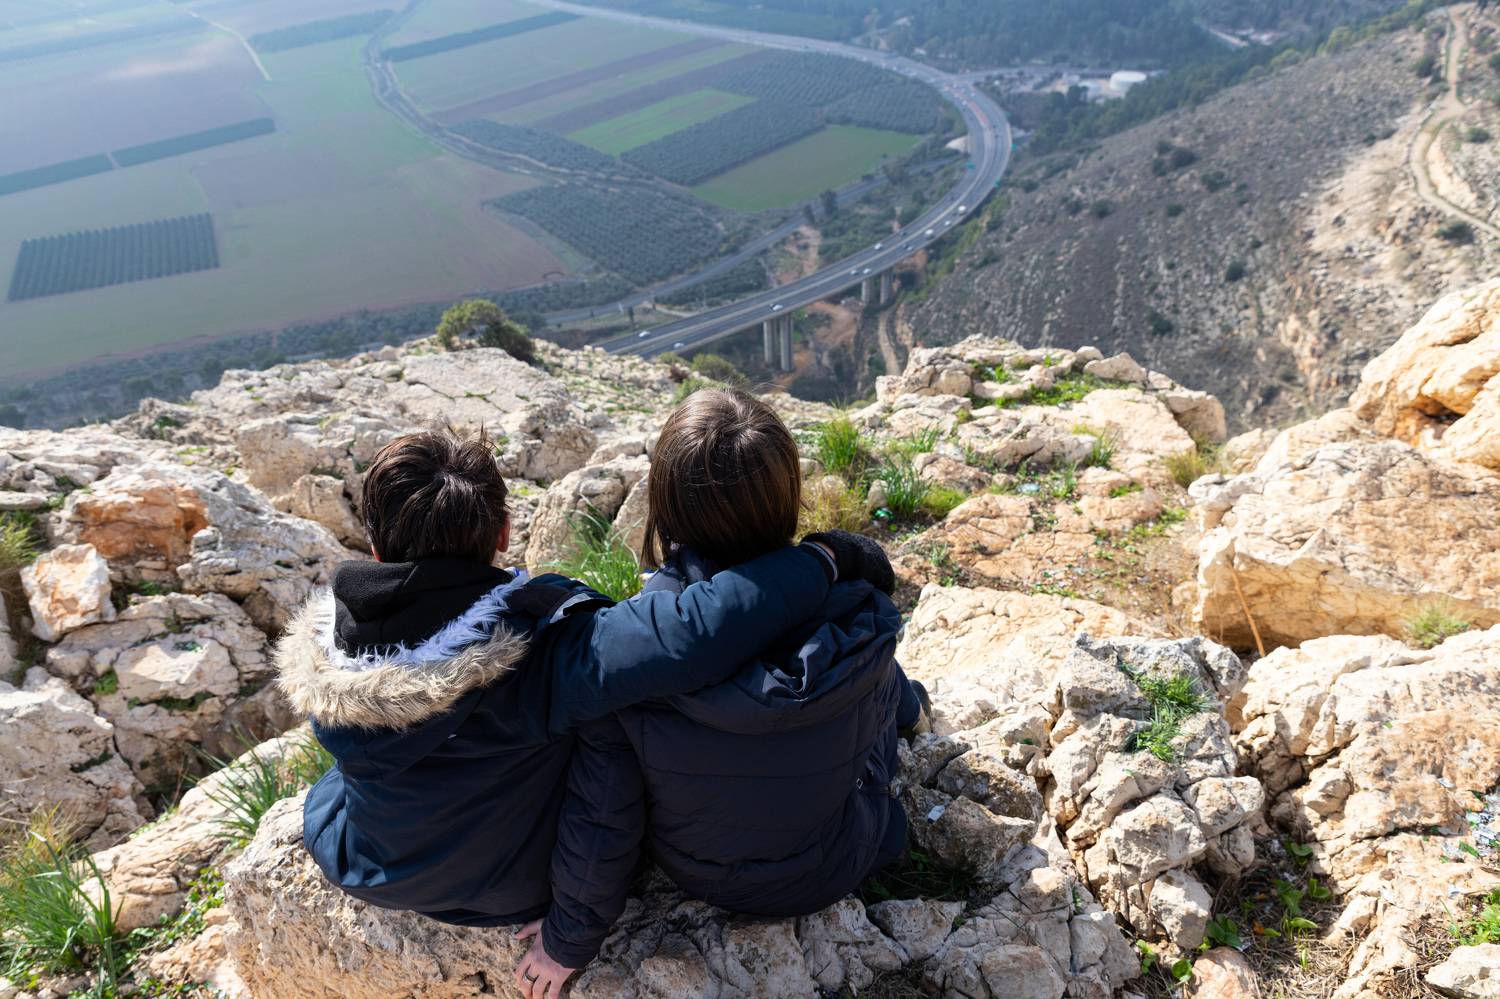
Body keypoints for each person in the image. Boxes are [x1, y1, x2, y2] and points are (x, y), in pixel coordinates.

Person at [274, 427, 889, 938]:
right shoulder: (546, 647)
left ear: (376, 548)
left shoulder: (330, 651)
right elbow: (694, 632)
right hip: (515, 887)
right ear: (503, 534)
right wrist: (825, 557)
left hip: (370, 864)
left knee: (339, 785)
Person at [515, 389, 928, 996]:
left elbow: (603, 814)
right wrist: (908, 706)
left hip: (703, 876)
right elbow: (881, 704)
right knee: (874, 689)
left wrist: (567, 941)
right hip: (840, 861)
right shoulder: (861, 615)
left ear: (667, 505)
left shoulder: (631, 657)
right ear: (786, 493)